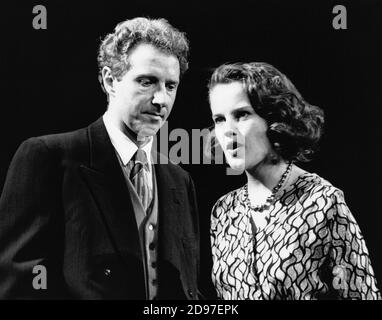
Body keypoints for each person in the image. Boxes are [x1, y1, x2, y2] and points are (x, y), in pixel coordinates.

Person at [0, 17, 200, 300]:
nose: (161, 100)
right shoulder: (48, 157)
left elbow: (188, 289)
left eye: (170, 86)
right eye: (147, 82)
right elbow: (21, 283)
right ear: (110, 80)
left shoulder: (180, 180)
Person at [208, 62, 381, 300]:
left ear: (275, 119)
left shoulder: (323, 202)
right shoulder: (224, 212)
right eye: (219, 119)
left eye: (241, 114)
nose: (228, 130)